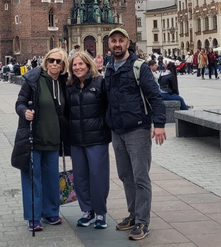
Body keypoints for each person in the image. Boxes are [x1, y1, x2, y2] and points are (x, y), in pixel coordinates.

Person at [104, 28, 166, 241]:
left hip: (137, 129)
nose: (117, 44)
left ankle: (142, 221)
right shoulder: (109, 67)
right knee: (125, 175)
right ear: (109, 44)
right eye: (113, 41)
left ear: (128, 42)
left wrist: (159, 124)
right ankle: (132, 215)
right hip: (117, 129)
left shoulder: (139, 66)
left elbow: (155, 96)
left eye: (121, 40)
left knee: (140, 176)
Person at [11, 47, 68, 232]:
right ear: (45, 61)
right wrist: (24, 112)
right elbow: (20, 102)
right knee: (32, 179)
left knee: (51, 178)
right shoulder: (33, 79)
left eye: (58, 61)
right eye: (51, 60)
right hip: (33, 138)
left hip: (53, 140)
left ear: (63, 65)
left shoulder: (63, 82)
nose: (54, 64)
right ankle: (33, 217)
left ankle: (51, 212)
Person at [64, 50, 111, 229]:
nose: (77, 68)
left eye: (80, 64)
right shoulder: (69, 87)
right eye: (74, 65)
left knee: (98, 176)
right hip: (76, 139)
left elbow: (109, 107)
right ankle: (87, 210)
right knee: (81, 177)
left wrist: (104, 127)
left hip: (97, 138)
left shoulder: (100, 83)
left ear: (88, 64)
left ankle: (100, 212)